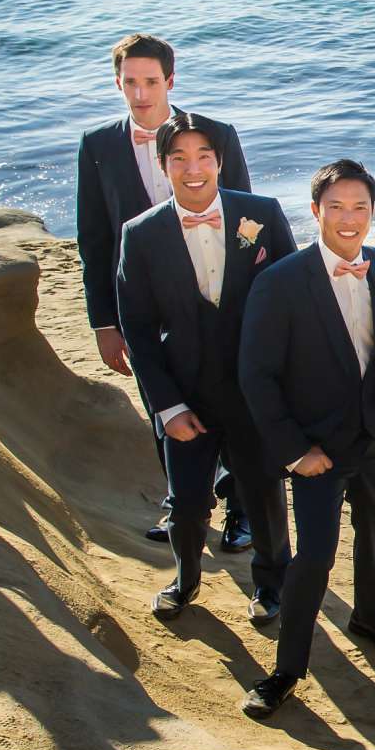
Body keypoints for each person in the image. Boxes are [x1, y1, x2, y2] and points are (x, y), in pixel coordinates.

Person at [236, 160, 375, 720]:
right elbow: (256, 375)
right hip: (316, 449)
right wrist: (296, 450)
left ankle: (371, 616)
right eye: (336, 207)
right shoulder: (280, 282)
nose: (349, 219)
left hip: (374, 435)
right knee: (314, 556)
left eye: (359, 207)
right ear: (315, 211)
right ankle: (286, 668)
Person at [75, 32, 255, 547]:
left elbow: (246, 219)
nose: (140, 94)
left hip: (218, 294)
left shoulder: (216, 134)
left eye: (150, 81)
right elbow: (94, 238)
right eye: (129, 82)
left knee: (234, 403)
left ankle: (241, 509)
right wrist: (104, 322)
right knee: (162, 402)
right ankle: (182, 506)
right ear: (117, 83)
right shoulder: (98, 145)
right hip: (146, 304)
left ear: (170, 81)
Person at [113, 114, 293, 628]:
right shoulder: (140, 234)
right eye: (179, 159)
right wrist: (167, 408)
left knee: (263, 495)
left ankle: (271, 583)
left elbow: (293, 301)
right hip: (185, 397)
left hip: (252, 393)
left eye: (204, 158)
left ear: (219, 161)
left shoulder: (261, 213)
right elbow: (140, 331)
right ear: (163, 164)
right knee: (188, 503)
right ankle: (186, 576)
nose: (193, 170)